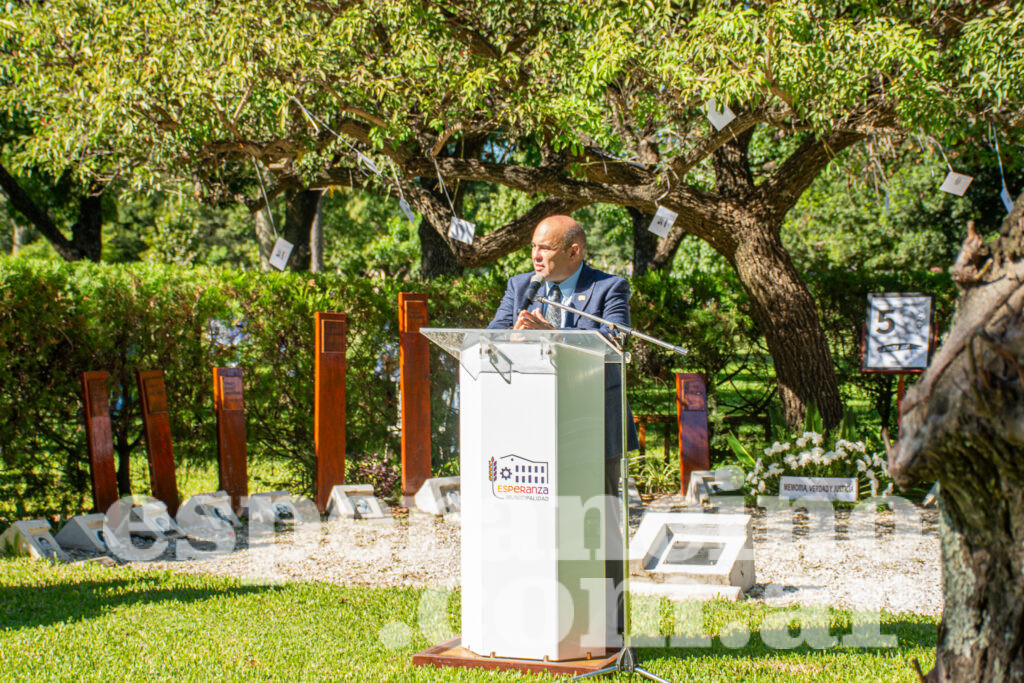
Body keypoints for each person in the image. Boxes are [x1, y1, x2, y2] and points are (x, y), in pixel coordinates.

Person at [487, 214, 638, 637]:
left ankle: (609, 628)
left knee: (598, 524)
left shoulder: (609, 288)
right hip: (529, 428)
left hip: (591, 426)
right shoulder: (521, 287)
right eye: (533, 247)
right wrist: (513, 336)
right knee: (533, 526)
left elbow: (612, 344)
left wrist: (553, 334)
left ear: (574, 251)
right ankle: (535, 621)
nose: (535, 255)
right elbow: (490, 336)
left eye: (545, 248)